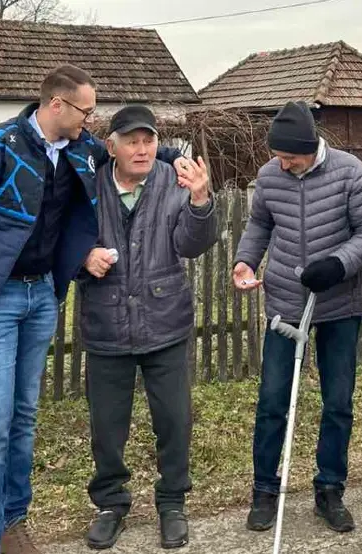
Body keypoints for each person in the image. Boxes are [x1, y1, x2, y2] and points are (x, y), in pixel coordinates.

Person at [0, 65, 182, 554]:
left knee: (23, 414)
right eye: (85, 111)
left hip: (42, 294)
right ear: (56, 106)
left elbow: (135, 151)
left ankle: (12, 523)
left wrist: (178, 161)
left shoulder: (79, 150)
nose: (91, 121)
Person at [233, 101, 362, 534]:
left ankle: (330, 490)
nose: (282, 164)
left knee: (338, 403)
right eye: (278, 157)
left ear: (311, 147)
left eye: (289, 157)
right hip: (285, 299)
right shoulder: (269, 176)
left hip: (338, 303)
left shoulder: (350, 171)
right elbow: (259, 224)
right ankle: (264, 489)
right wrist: (245, 261)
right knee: (272, 401)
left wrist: (338, 264)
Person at [78, 105, 217, 550]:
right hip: (106, 325)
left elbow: (192, 246)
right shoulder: (88, 187)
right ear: (112, 146)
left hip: (165, 324)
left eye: (149, 140)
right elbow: (61, 238)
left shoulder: (173, 182)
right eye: (132, 141)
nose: (142, 149)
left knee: (174, 420)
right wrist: (82, 258)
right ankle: (110, 504)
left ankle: (173, 502)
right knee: (107, 425)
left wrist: (199, 201)